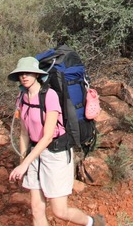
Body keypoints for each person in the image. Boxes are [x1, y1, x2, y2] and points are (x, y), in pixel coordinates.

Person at [7, 56, 105, 226]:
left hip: (55, 154)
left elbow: (47, 136)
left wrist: (24, 164)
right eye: (21, 73)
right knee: (36, 209)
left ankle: (93, 222)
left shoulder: (49, 96)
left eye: (28, 72)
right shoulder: (22, 97)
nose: (24, 76)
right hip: (34, 155)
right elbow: (23, 133)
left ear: (37, 74)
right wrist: (23, 161)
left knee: (59, 211)